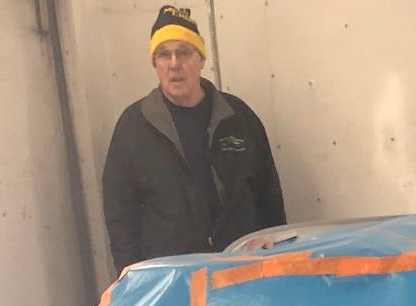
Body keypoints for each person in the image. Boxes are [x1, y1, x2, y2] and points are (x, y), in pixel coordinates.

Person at [101, 6, 285, 276]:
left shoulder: (238, 117)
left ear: (200, 59)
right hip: (173, 282)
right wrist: (132, 277)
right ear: (156, 63)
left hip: (242, 273)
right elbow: (120, 214)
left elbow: (270, 195)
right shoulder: (134, 126)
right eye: (164, 54)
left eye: (184, 52)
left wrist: (277, 255)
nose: (174, 63)